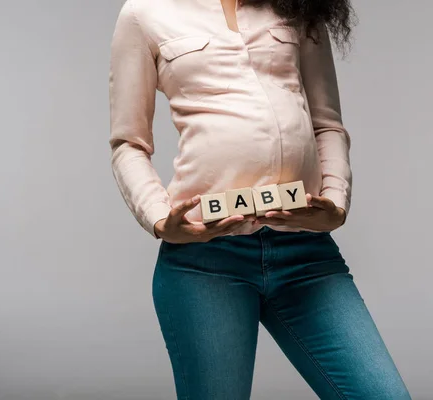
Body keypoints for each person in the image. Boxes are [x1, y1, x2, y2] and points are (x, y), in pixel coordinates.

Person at [108, 0, 412, 398]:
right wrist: (162, 219)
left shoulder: (297, 5)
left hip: (306, 253)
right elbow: (128, 144)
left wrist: (335, 204)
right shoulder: (144, 13)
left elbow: (327, 125)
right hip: (206, 262)